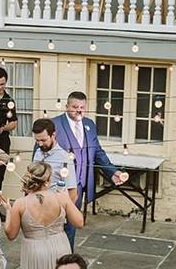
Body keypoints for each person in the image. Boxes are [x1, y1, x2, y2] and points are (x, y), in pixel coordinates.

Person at [52, 91, 125, 250]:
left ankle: (67, 261)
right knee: (56, 227)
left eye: (82, 107)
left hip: (81, 185)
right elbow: (41, 155)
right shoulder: (54, 125)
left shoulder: (89, 124)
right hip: (60, 187)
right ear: (66, 107)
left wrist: (113, 172)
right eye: (75, 107)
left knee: (71, 226)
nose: (79, 111)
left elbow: (97, 152)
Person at [5, 162, 83, 269]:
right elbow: (79, 222)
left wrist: (9, 211)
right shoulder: (61, 198)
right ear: (46, 182)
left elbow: (11, 235)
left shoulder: (20, 204)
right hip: (60, 247)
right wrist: (67, 200)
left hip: (34, 251)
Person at [31, 119, 77, 200]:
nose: (40, 144)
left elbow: (72, 193)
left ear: (53, 135)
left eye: (43, 140)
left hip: (54, 206)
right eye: (37, 140)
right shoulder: (38, 152)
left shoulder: (65, 158)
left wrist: (63, 211)